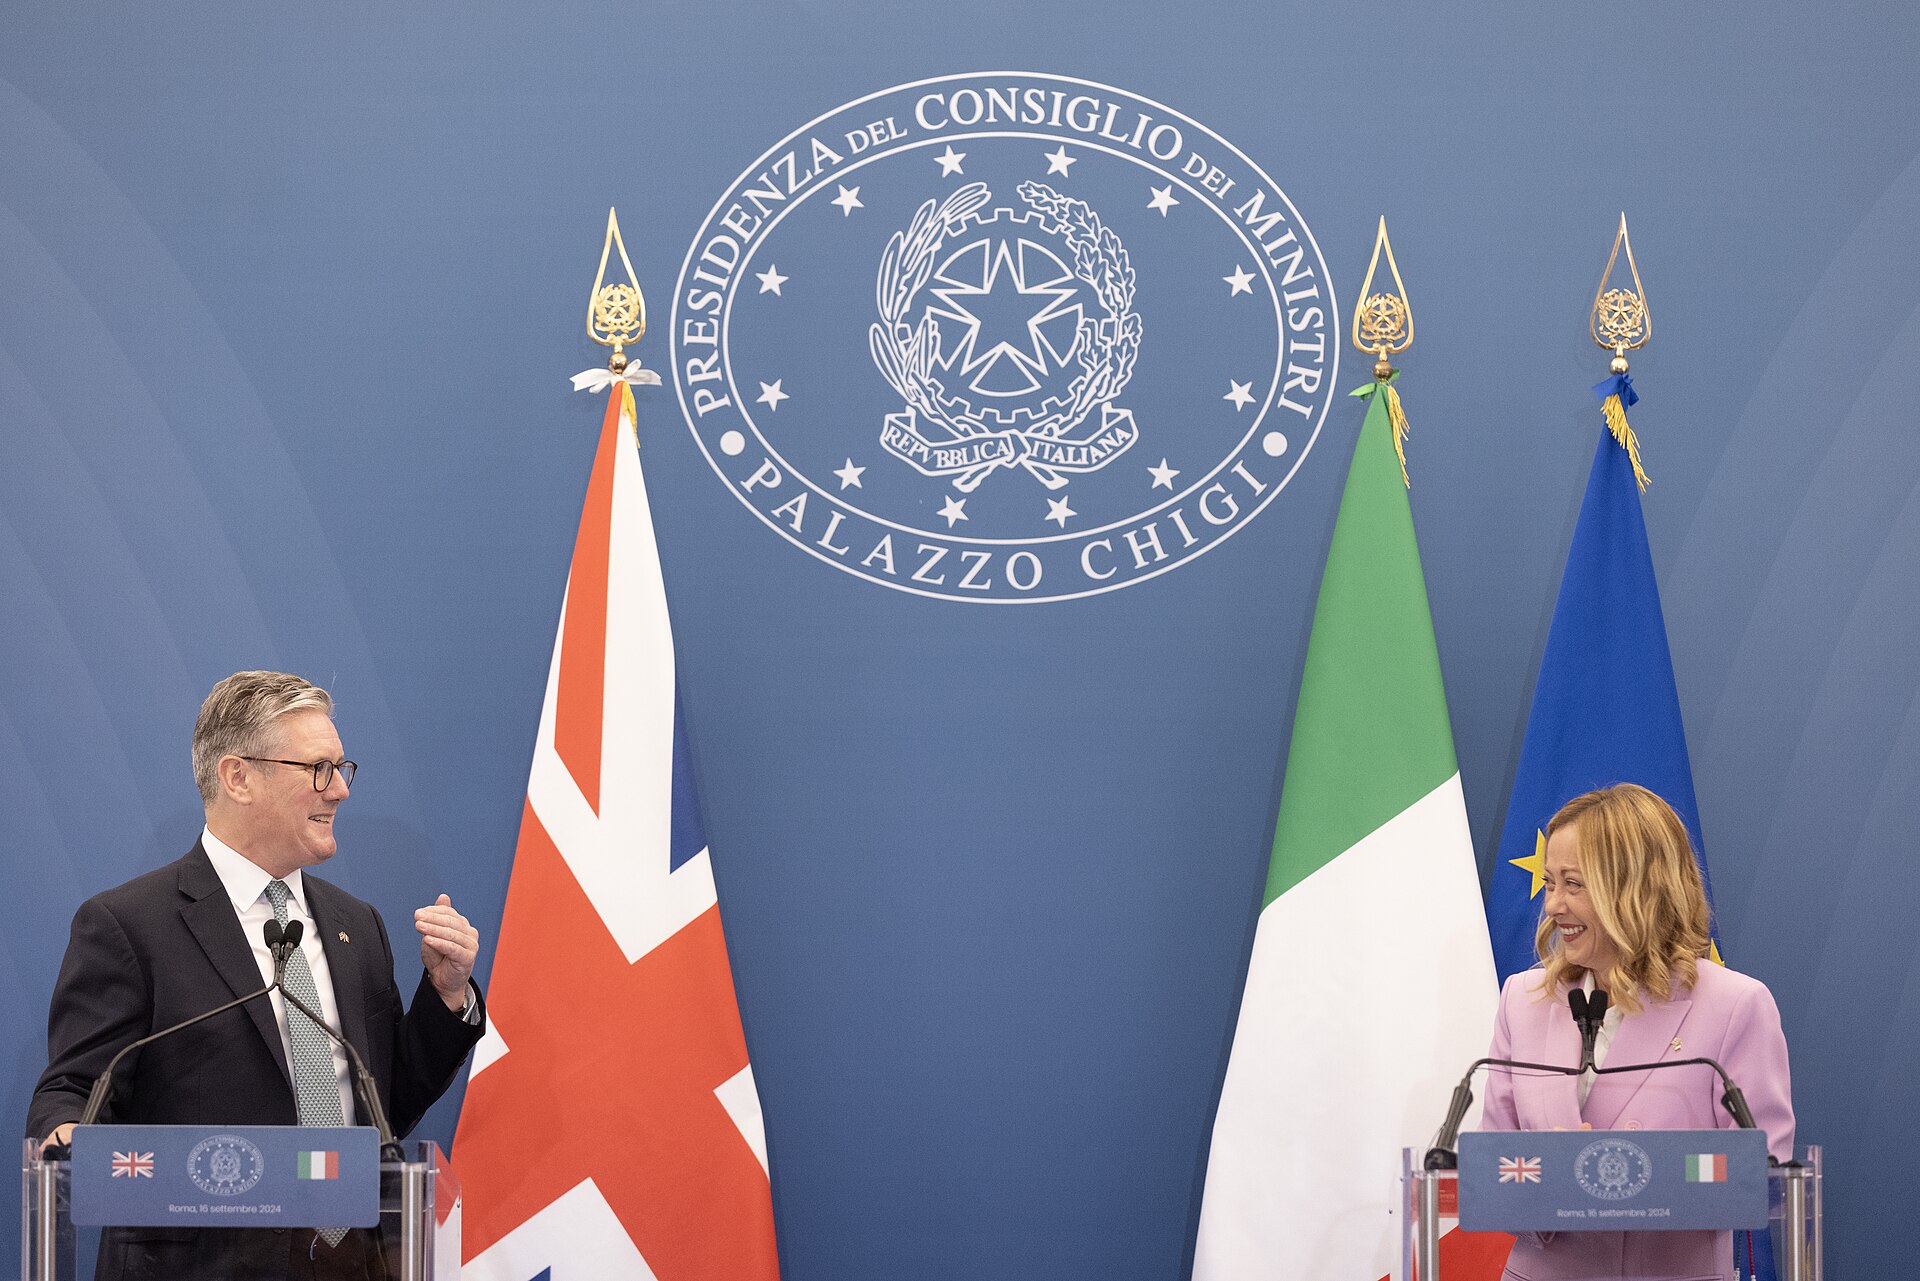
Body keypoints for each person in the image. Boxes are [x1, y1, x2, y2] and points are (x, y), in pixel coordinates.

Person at [27, 671, 487, 1281]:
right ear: (238, 776)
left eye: (342, 768)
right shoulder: (129, 926)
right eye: (319, 769)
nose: (341, 791)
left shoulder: (356, 924)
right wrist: (67, 1141)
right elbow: (73, 1091)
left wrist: (447, 994)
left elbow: (384, 1107)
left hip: (357, 1262)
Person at [1480, 783, 1794, 1281]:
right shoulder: (1524, 998)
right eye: (1550, 882)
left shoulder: (1735, 1005)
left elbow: (1765, 1177)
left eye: (1574, 884)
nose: (1553, 905)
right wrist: (1551, 1181)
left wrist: (1615, 1172)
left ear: (1636, 887)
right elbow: (1491, 1170)